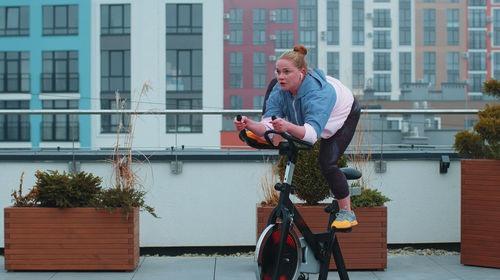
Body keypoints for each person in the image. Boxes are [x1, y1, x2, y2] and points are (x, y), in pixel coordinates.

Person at [234, 45, 361, 229]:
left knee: (327, 162)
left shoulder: (318, 93)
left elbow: (310, 136)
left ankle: (347, 212)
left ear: (301, 73)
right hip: (306, 119)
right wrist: (249, 124)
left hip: (344, 114)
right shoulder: (278, 88)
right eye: (278, 71)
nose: (280, 77)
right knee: (282, 134)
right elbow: (269, 123)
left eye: (286, 72)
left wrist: (287, 126)